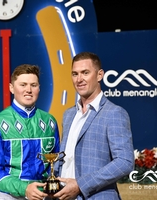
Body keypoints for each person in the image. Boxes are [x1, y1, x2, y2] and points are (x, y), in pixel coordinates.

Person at [53, 52, 134, 200]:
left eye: (85, 73)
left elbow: (125, 162)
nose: (79, 79)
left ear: (99, 75)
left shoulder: (114, 113)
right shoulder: (68, 114)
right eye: (75, 74)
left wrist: (80, 185)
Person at [0, 64, 60, 200]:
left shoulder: (50, 122)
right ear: (11, 88)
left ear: (39, 88)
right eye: (23, 85)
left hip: (43, 194)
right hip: (8, 194)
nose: (28, 90)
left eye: (33, 85)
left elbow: (57, 163)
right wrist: (24, 189)